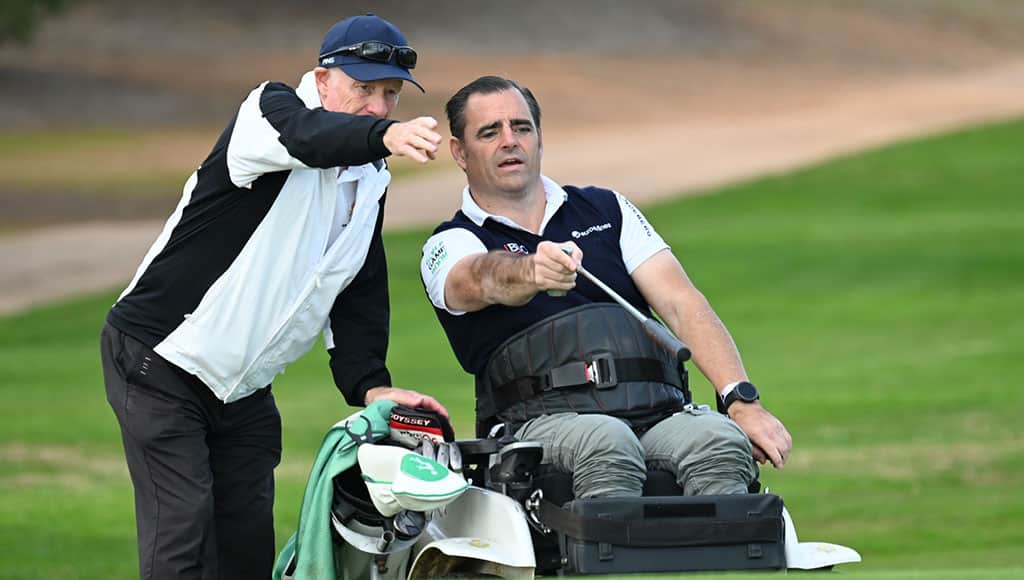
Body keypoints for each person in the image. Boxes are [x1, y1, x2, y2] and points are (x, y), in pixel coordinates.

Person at [99, 14, 447, 580]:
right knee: (182, 538)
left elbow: (357, 281)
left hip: (243, 389)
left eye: (390, 94)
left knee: (245, 550)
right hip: (158, 360)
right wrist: (382, 136)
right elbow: (308, 139)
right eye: (365, 89)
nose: (380, 106)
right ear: (323, 78)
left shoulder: (370, 174)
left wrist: (369, 382)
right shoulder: (269, 112)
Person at [419, 75, 792, 500]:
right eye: (490, 132)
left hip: (657, 412)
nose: (510, 141)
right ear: (459, 152)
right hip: (539, 422)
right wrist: (530, 272)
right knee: (607, 442)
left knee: (719, 442)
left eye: (521, 127)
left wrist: (741, 402)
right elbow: (474, 279)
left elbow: (680, 302)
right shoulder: (450, 242)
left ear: (539, 138)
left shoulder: (606, 208)